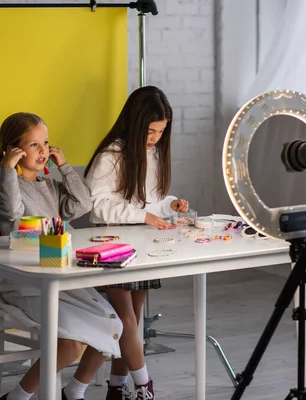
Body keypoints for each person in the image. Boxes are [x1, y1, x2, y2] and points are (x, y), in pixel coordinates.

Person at [0, 112, 123, 400]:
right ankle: (17, 397)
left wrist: (65, 168)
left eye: (45, 143)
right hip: (24, 282)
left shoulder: (48, 185)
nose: (43, 150)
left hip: (58, 275)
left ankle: (74, 391)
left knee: (114, 324)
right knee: (72, 344)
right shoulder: (7, 187)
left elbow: (83, 204)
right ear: (14, 150)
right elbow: (12, 220)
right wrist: (7, 170)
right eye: (33, 145)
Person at [83, 86, 189, 400]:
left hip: (142, 246)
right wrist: (145, 217)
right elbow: (97, 206)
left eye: (160, 132)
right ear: (134, 122)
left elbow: (148, 203)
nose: (155, 138)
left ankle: (115, 388)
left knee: (131, 321)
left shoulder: (152, 154)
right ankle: (145, 386)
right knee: (124, 321)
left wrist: (169, 205)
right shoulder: (111, 156)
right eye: (150, 130)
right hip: (111, 247)